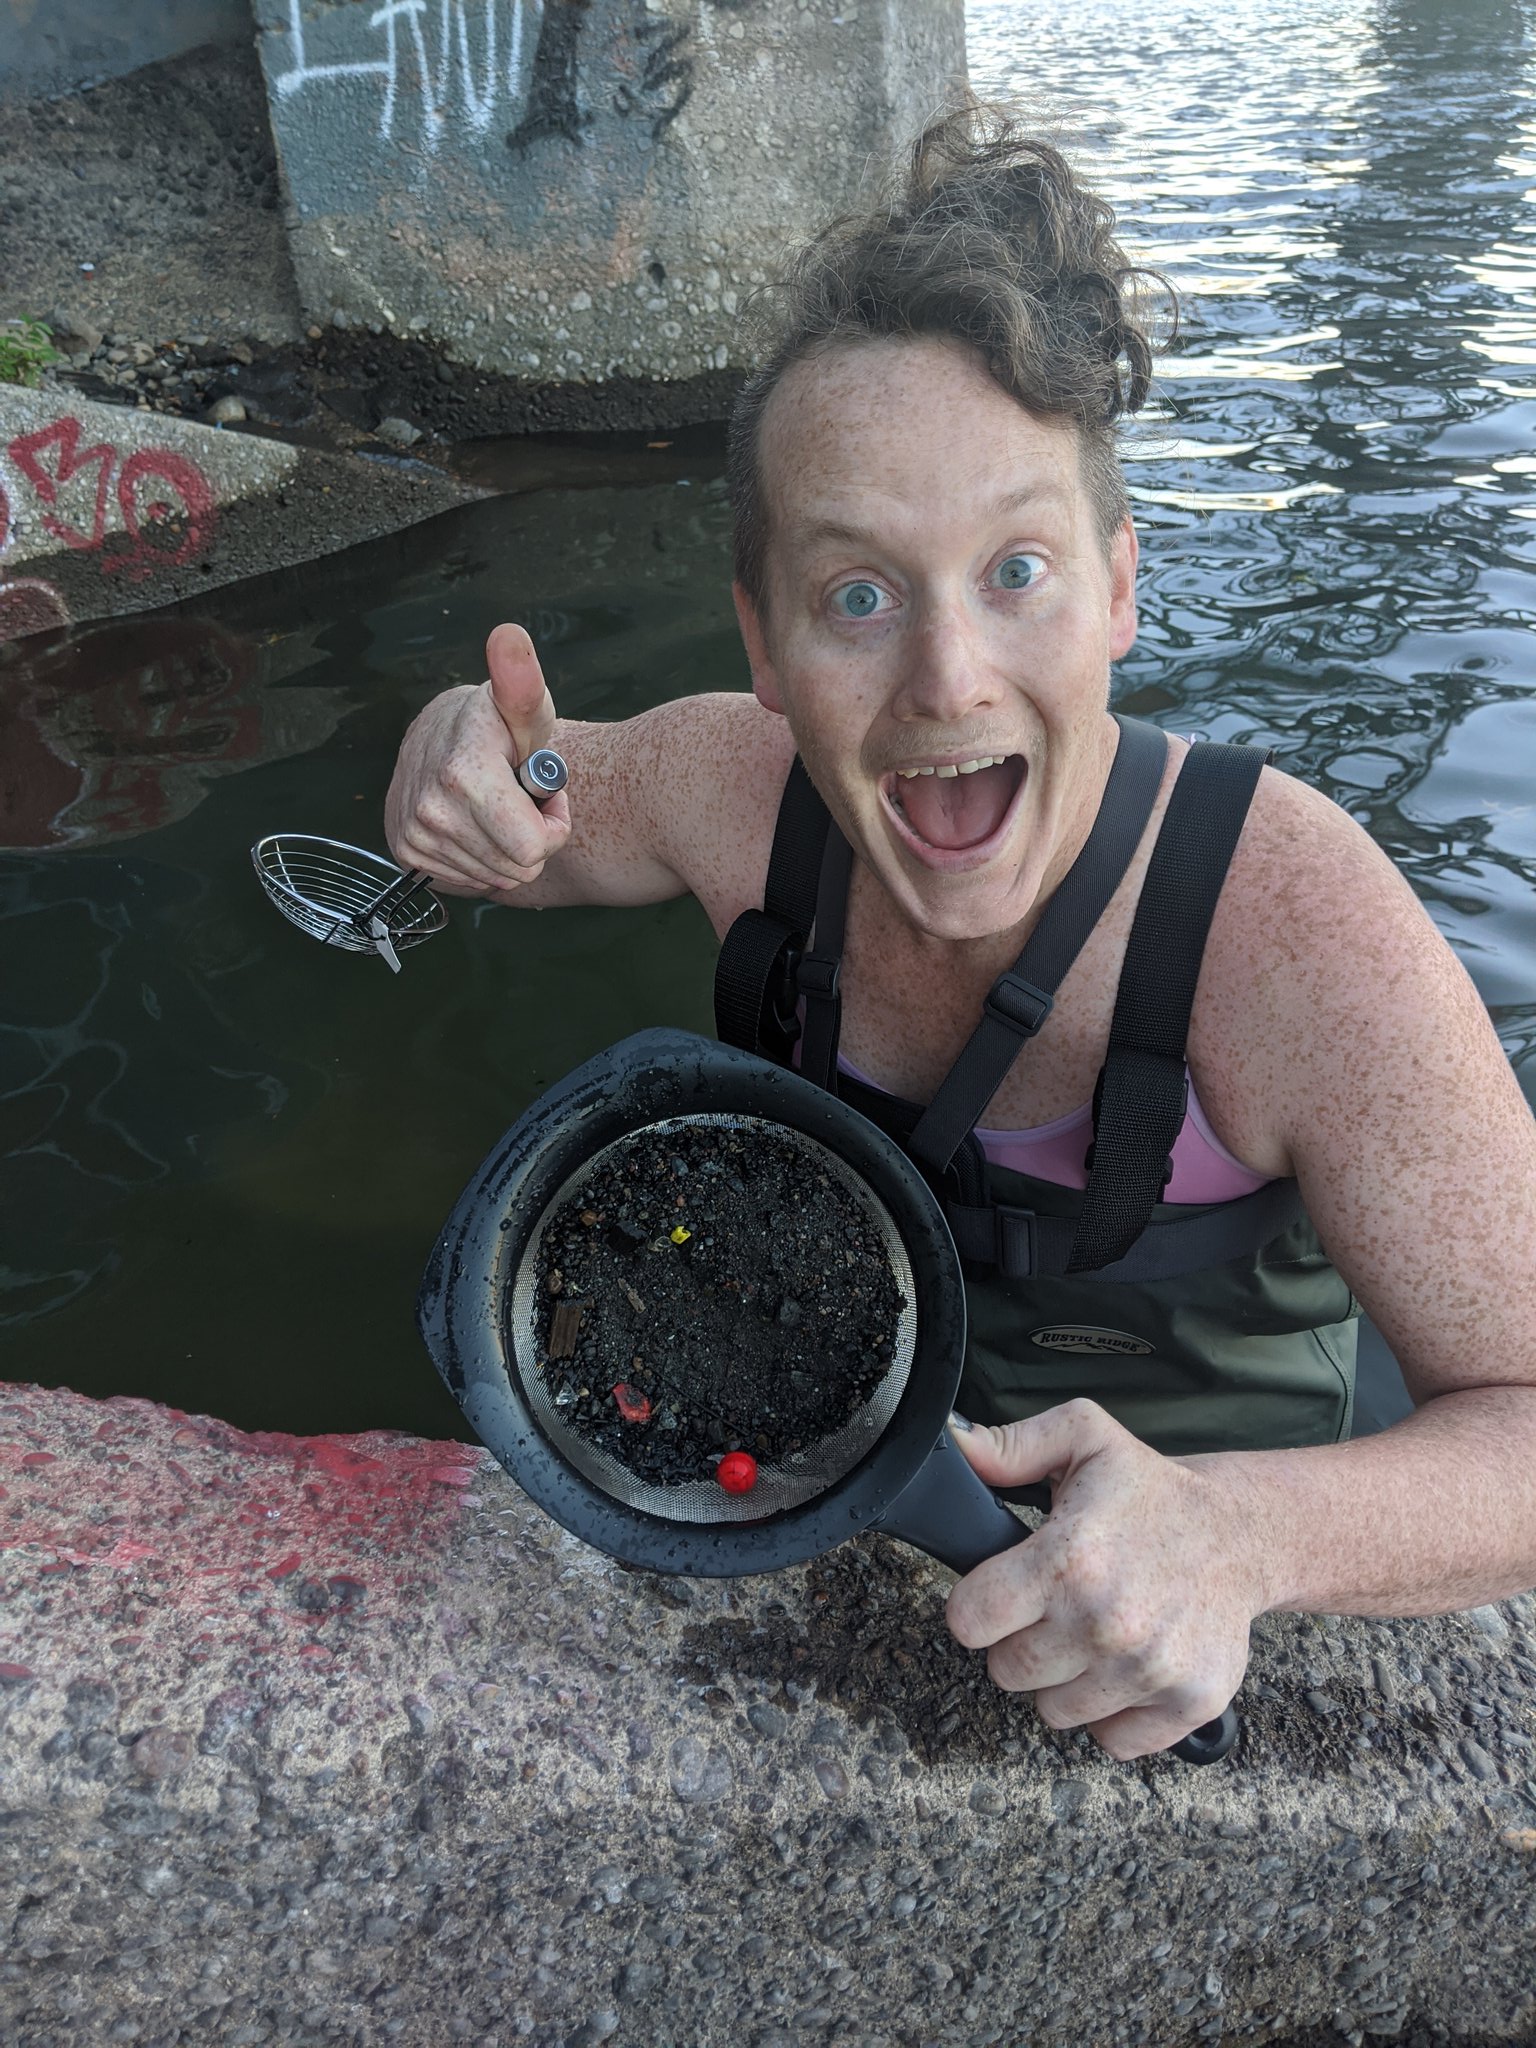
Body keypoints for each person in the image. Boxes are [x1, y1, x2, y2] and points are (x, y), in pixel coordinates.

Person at [385, 101, 1536, 1759]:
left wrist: (1246, 1540)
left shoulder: (1295, 928)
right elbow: (533, 810)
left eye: (1018, 571)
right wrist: (455, 762)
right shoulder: (732, 782)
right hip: (825, 1480)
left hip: (1210, 1594)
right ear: (763, 646)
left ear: (1123, 590)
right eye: (858, 593)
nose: (945, 681)